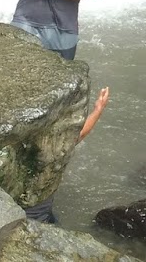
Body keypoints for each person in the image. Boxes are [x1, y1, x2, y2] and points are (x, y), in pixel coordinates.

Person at [23, 85, 110, 224]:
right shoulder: (53, 146)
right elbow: (78, 135)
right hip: (39, 214)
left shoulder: (21, 144)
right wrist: (98, 109)